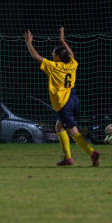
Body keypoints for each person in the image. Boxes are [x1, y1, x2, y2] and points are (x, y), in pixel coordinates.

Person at [24, 27, 100, 167]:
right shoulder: (72, 64)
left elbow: (36, 56)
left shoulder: (55, 66)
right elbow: (71, 55)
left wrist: (29, 42)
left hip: (63, 102)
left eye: (54, 53)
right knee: (59, 127)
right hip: (73, 99)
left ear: (58, 57)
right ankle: (68, 158)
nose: (52, 54)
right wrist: (63, 40)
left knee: (73, 131)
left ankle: (92, 153)